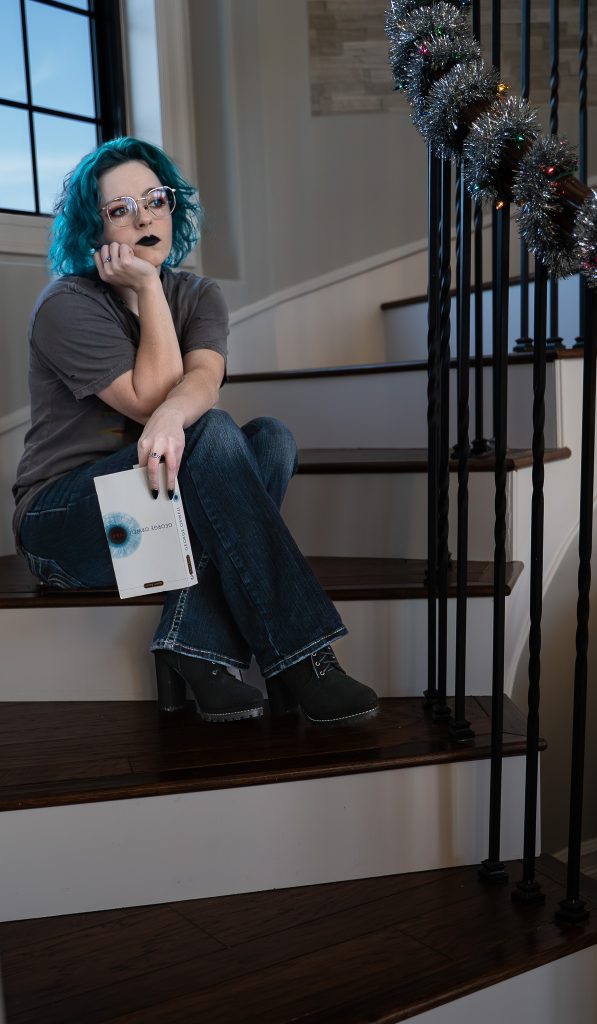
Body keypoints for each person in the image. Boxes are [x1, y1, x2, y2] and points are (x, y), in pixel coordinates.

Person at [12, 136, 379, 726]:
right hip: (65, 523)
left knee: (271, 439)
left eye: (154, 198)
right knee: (211, 437)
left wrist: (167, 415)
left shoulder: (201, 293)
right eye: (120, 209)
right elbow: (153, 399)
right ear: (93, 231)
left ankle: (191, 649)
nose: (144, 216)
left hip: (161, 504)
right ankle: (302, 659)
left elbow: (203, 379)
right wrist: (150, 289)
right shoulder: (67, 304)